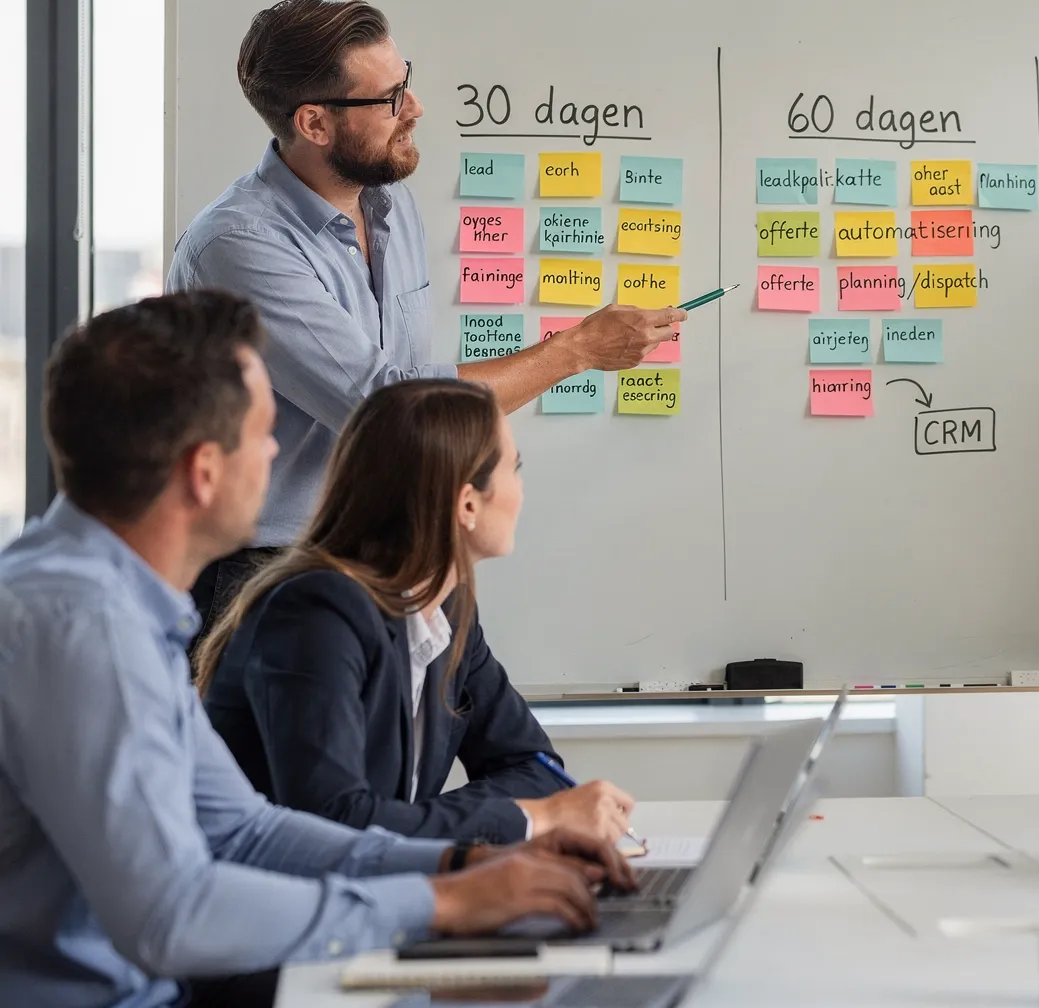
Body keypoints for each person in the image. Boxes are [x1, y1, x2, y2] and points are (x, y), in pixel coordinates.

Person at [0, 291, 636, 1008]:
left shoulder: (118, 606)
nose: (281, 456)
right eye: (267, 433)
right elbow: (171, 914)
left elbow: (244, 831)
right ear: (204, 471)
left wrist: (462, 862)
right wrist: (440, 903)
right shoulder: (84, 628)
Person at [165, 0, 684, 645]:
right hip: (264, 577)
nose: (414, 107)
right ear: (315, 123)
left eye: (405, 82)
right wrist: (575, 351)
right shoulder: (237, 245)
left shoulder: (390, 206)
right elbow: (386, 406)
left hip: (384, 559)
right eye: (389, 99)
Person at [194, 379, 634, 845]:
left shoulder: (447, 608)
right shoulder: (317, 613)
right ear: (467, 503)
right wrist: (531, 820)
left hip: (376, 895)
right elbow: (333, 823)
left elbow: (534, 767)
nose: (522, 492)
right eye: (515, 470)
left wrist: (411, 821)